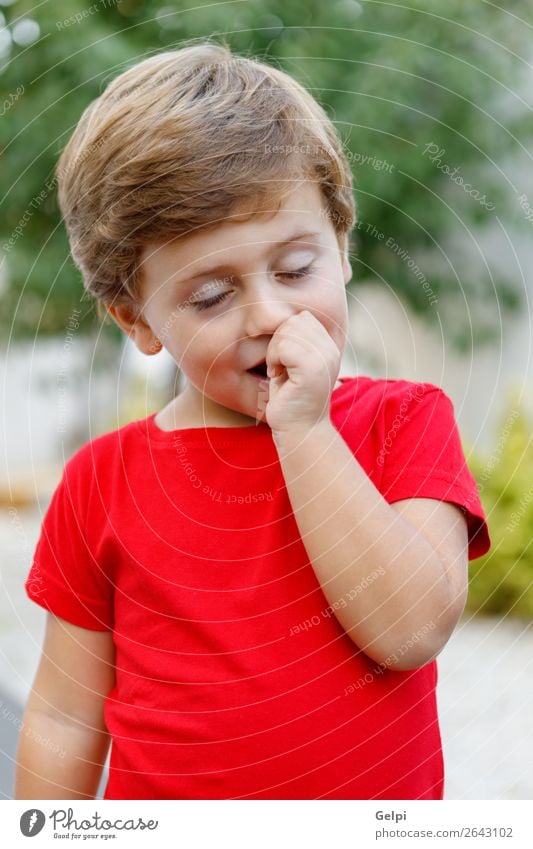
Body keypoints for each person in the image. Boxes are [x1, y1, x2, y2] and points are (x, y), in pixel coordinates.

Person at [16, 40, 490, 801]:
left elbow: (408, 630)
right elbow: (66, 717)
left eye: (295, 268)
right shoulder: (101, 480)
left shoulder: (403, 422)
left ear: (340, 247)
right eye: (209, 296)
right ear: (137, 320)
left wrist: (304, 429)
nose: (270, 314)